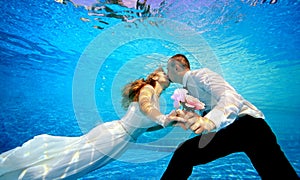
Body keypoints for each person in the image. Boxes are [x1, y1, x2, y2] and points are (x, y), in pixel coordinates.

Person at [0, 67, 184, 180]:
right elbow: (144, 107)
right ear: (155, 76)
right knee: (64, 166)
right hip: (114, 136)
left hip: (120, 142)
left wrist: (168, 123)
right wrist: (163, 118)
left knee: (69, 165)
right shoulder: (148, 89)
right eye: (164, 72)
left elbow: (144, 126)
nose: (167, 74)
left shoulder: (158, 99)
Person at [161, 54, 298, 179]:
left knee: (184, 153)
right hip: (234, 131)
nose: (167, 74)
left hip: (248, 126)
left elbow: (230, 97)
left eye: (168, 69)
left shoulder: (200, 75)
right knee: (185, 153)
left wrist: (209, 121)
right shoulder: (187, 90)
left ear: (177, 67)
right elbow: (205, 116)